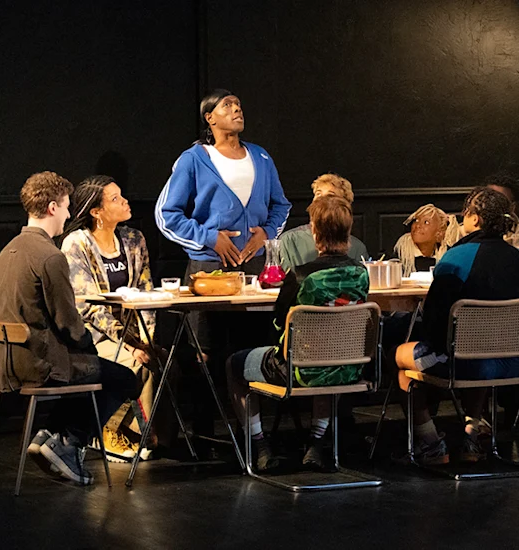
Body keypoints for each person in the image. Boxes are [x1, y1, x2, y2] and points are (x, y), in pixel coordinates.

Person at [155, 89, 292, 449]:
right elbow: (167, 215)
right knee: (205, 351)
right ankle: (204, 435)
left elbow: (281, 205)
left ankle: (254, 435)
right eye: (227, 105)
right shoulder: (194, 159)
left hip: (254, 269)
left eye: (239, 105)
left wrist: (265, 233)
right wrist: (209, 238)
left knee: (254, 346)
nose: (236, 109)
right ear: (209, 118)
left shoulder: (261, 156)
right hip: (209, 271)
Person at [0, 171, 139, 485]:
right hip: (41, 364)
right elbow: (69, 324)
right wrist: (89, 346)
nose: (70, 215)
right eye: (67, 206)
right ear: (52, 208)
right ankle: (68, 443)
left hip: (8, 362)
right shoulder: (50, 257)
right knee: (123, 378)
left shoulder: (8, 251)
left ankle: (51, 436)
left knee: (92, 367)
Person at [394, 187, 519, 464]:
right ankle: (471, 436)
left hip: (463, 365)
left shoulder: (456, 258)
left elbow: (434, 322)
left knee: (397, 356)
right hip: (513, 364)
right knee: (477, 347)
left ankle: (431, 443)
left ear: (474, 218)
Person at [226, 196, 369, 472]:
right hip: (348, 368)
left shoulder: (300, 276)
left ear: (314, 232)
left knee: (233, 365)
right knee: (326, 360)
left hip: (298, 370)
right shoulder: (361, 273)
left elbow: (279, 322)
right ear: (349, 231)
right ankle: (316, 444)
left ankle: (259, 446)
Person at [60, 175, 178, 461]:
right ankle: (111, 431)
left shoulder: (134, 239)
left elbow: (146, 293)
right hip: (94, 336)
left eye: (122, 195)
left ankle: (149, 434)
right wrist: (130, 345)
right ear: (96, 212)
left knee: (164, 360)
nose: (125, 202)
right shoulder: (76, 244)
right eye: (115, 199)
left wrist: (146, 339)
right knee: (135, 364)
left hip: (133, 333)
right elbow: (87, 307)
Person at [278, 173, 369, 271]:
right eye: (318, 194)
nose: (321, 200)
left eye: (330, 195)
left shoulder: (358, 248)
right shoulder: (289, 241)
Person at [392, 204, 463, 276]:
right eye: (416, 220)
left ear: (439, 234)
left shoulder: (446, 259)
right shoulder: (399, 258)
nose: (418, 225)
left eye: (426, 222)